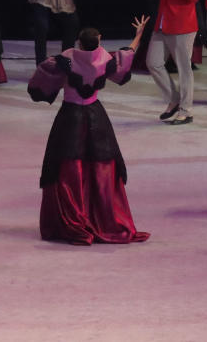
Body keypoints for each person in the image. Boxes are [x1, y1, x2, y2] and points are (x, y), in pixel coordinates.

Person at [27, 16, 150, 245]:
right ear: (99, 40)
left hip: (70, 118)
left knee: (67, 168)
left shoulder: (65, 60)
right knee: (100, 169)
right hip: (96, 117)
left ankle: (73, 219)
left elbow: (40, 81)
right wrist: (138, 35)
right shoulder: (105, 59)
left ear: (79, 42)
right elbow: (126, 56)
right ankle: (102, 217)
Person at [123, 0, 202, 124]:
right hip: (162, 24)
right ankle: (174, 99)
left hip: (183, 26)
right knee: (153, 62)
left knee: (184, 70)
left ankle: (186, 110)